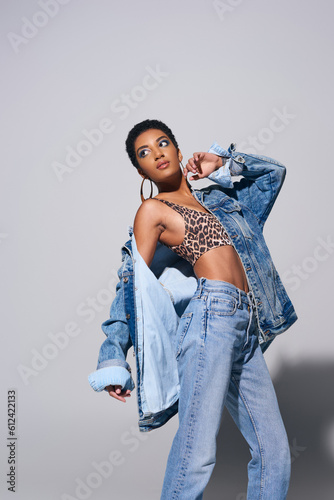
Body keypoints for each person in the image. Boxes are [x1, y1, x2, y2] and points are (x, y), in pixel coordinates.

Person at [88, 119, 298, 499]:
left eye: (163, 143)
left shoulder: (219, 199)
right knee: (197, 453)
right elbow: (132, 285)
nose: (157, 153)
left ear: (180, 151)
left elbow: (273, 175)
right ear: (141, 171)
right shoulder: (153, 211)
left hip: (247, 322)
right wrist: (113, 355)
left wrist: (222, 163)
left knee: (275, 453)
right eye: (145, 153)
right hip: (210, 321)